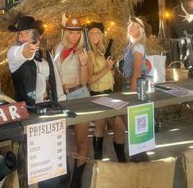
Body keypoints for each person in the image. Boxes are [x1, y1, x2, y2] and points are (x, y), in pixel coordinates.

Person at [7, 15, 65, 188]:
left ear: (37, 35)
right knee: (35, 157)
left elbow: (56, 80)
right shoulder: (13, 53)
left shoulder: (46, 54)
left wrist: (61, 101)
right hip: (27, 110)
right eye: (22, 34)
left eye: (30, 33)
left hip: (48, 108)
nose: (26, 37)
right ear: (18, 37)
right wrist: (28, 48)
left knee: (53, 154)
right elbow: (23, 52)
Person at [54, 15, 90, 188]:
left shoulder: (83, 51)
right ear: (65, 32)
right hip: (61, 97)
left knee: (81, 141)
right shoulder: (58, 48)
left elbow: (84, 81)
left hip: (79, 95)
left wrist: (84, 64)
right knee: (61, 138)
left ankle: (77, 180)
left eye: (77, 33)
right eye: (70, 32)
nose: (73, 36)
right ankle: (64, 172)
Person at [114, 15, 152, 162]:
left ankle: (141, 161)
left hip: (132, 87)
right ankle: (122, 162)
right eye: (131, 24)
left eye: (136, 26)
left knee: (134, 128)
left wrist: (131, 96)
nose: (132, 27)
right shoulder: (130, 45)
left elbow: (136, 73)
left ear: (141, 30)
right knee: (119, 126)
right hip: (127, 86)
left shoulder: (137, 46)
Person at [87, 21, 126, 162]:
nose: (95, 35)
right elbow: (89, 80)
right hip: (98, 94)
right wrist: (107, 68)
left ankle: (101, 163)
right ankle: (120, 161)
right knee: (119, 127)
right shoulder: (89, 53)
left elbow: (107, 74)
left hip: (108, 92)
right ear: (88, 36)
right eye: (92, 33)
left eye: (98, 32)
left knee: (100, 126)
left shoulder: (102, 51)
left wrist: (112, 69)